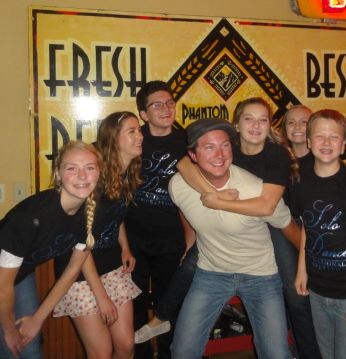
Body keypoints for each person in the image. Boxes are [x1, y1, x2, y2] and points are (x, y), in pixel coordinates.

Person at [138, 97, 321, 358]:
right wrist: (210, 197)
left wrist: (219, 202)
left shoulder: (275, 155)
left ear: (270, 126)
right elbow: (184, 166)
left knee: (295, 295)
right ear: (237, 125)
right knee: (190, 265)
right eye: (248, 119)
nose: (219, 154)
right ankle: (162, 316)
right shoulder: (221, 147)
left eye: (263, 119)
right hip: (215, 266)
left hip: (269, 228)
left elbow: (269, 207)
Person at [0, 140, 100, 359]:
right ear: (57, 174)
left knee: (31, 350)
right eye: (72, 168)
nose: (82, 175)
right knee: (6, 353)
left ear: (98, 173)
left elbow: (72, 270)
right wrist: (9, 331)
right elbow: (1, 289)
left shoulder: (93, 211)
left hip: (18, 277)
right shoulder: (30, 217)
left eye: (90, 167)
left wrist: (37, 319)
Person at [169, 118, 293, 359]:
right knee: (183, 351)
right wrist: (189, 240)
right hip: (211, 273)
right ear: (193, 155)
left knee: (276, 354)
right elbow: (184, 209)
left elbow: (290, 227)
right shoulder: (178, 186)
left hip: (261, 275)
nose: (219, 154)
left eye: (225, 145)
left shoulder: (256, 189)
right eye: (209, 147)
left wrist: (305, 264)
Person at [53, 111, 143, 359]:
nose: (140, 136)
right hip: (80, 269)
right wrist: (101, 297)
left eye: (139, 130)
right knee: (101, 353)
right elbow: (80, 243)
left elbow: (115, 217)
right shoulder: (94, 179)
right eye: (132, 131)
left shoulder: (125, 174)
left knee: (126, 346)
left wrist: (124, 247)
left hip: (111, 263)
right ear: (114, 139)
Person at [292, 109, 346, 359]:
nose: (326, 142)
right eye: (319, 136)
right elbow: (307, 226)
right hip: (318, 292)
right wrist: (301, 269)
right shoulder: (301, 181)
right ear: (309, 141)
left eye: (334, 137)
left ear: (344, 144)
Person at [126, 81, 190, 358]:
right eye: (157, 105)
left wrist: (190, 239)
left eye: (170, 103)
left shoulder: (187, 141)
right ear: (144, 113)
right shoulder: (134, 139)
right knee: (134, 308)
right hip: (133, 241)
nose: (166, 108)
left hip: (172, 239)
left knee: (170, 308)